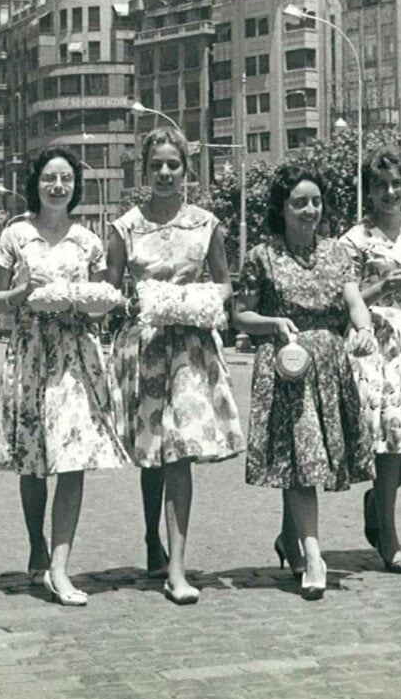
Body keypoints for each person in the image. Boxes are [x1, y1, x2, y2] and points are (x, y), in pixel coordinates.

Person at [106, 126, 244, 605]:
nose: (165, 173)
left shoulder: (206, 224)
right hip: (144, 349)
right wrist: (142, 301)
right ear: (145, 171)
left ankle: (178, 569)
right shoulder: (125, 227)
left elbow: (226, 284)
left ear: (187, 169)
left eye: (174, 165)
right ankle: (151, 539)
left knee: (179, 453)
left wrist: (196, 299)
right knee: (152, 453)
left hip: (189, 350)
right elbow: (112, 294)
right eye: (157, 165)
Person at [0, 145, 128, 607]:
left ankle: (60, 568)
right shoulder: (16, 234)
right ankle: (36, 545)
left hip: (74, 352)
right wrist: (22, 292)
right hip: (30, 351)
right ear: (37, 182)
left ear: (75, 187)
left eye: (66, 179)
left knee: (72, 458)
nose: (58, 186)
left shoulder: (89, 240)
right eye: (50, 177)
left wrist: (92, 302)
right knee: (35, 459)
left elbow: (104, 295)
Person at [237, 166, 377, 600]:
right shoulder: (262, 255)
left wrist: (363, 327)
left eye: (315, 201)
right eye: (299, 202)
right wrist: (272, 322)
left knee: (303, 462)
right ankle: (315, 556)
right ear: (282, 208)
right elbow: (240, 315)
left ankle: (289, 538)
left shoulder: (338, 253)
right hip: (288, 368)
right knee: (305, 458)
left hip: (331, 366)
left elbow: (354, 298)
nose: (309, 210)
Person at [339, 147, 401, 574]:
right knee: (389, 442)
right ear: (369, 190)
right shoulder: (354, 240)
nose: (390, 192)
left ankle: (376, 503)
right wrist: (378, 286)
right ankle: (389, 536)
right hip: (376, 343)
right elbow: (342, 299)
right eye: (380, 185)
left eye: (396, 183)